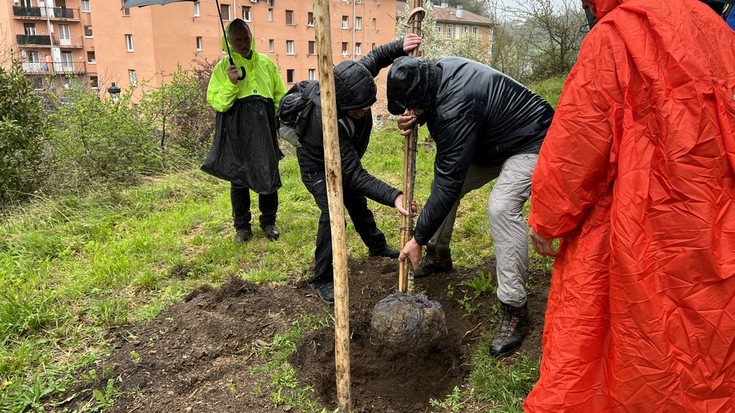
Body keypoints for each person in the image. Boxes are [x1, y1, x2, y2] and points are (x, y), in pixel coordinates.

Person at [524, 0, 735, 411]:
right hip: (714, 223)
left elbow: (577, 146)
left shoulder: (615, 37)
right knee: (704, 345)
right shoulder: (716, 30)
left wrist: (545, 221)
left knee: (628, 350)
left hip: (632, 230)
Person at [387, 56, 555, 357]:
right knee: (445, 190)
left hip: (534, 139)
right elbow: (447, 181)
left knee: (501, 207)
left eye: (412, 106)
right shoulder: (434, 73)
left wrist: (417, 239)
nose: (409, 111)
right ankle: (439, 257)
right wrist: (410, 116)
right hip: (492, 140)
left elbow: (449, 179)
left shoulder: (457, 105)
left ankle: (515, 307)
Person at [289, 34, 421, 305]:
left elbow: (375, 58)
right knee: (333, 211)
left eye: (366, 107)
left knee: (357, 202)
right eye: (358, 111)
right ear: (341, 107)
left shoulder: (352, 79)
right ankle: (323, 278)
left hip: (344, 159)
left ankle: (376, 246)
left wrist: (399, 46)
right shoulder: (323, 121)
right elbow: (354, 174)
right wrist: (394, 196)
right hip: (316, 164)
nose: (364, 113)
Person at [205, 19, 286, 243]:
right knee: (239, 177)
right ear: (229, 41)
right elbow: (217, 102)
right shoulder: (223, 67)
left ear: (251, 37)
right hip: (236, 129)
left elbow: (279, 94)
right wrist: (231, 83)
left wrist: (281, 118)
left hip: (263, 125)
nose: (242, 43)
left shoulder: (266, 63)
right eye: (237, 39)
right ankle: (242, 227)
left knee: (267, 172)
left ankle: (268, 222)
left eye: (245, 38)